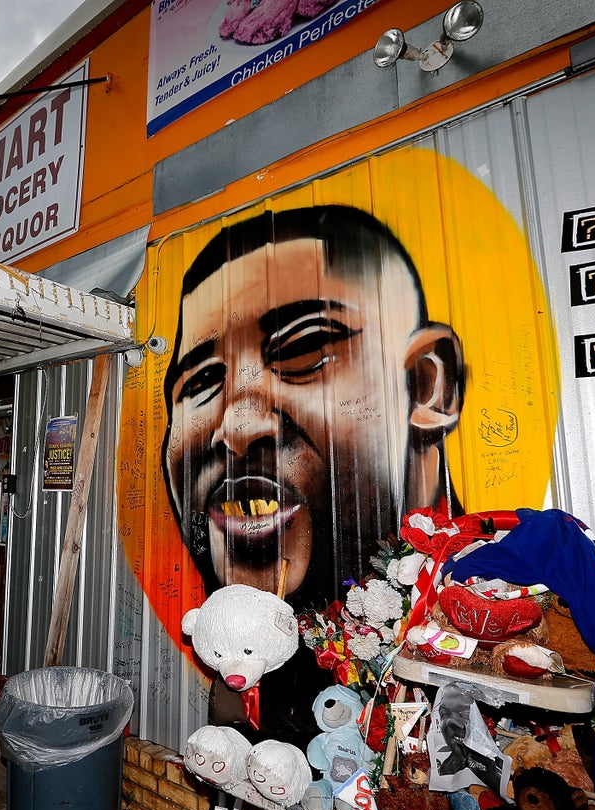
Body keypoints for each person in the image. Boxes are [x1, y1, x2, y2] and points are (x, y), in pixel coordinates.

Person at [161, 204, 465, 609]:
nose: (237, 427)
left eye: (304, 347)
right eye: (201, 381)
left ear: (427, 385)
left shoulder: (488, 593)